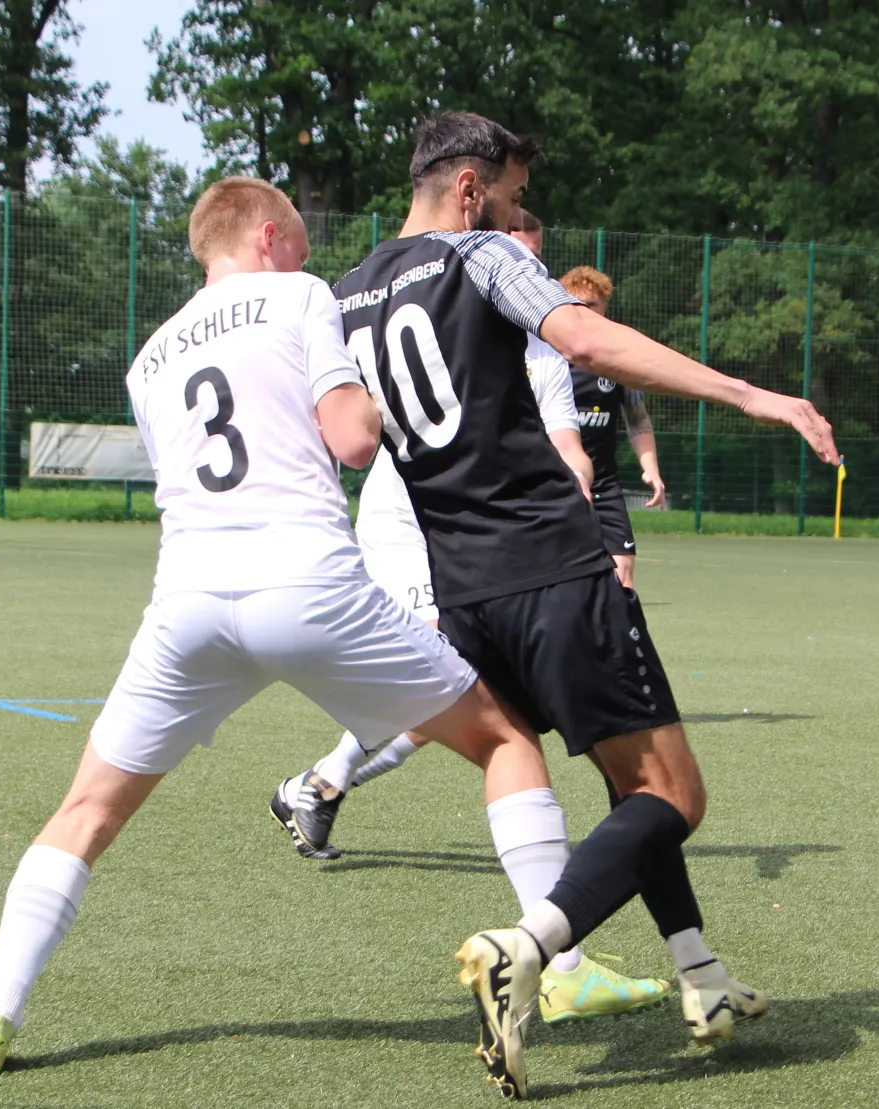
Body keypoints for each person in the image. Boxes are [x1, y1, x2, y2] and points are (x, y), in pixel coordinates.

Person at [0, 177, 565, 1077]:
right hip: (307, 584)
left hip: (188, 602)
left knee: (84, 811)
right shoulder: (301, 296)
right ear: (269, 236)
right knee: (506, 737)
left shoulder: (148, 358)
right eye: (302, 243)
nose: (308, 260)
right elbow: (351, 439)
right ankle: (567, 965)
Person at [333, 111, 836, 1098]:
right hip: (555, 567)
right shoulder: (479, 251)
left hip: (462, 588)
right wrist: (747, 394)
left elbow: (349, 436)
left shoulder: (345, 292)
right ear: (471, 188)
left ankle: (700, 977)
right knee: (672, 795)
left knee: (620, 779)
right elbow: (585, 341)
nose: (527, 223)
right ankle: (528, 946)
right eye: (517, 196)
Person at [268, 214, 670, 1028]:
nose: (534, 272)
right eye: (522, 252)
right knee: (474, 704)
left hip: (467, 535)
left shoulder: (511, 330)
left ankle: (319, 787)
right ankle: (556, 961)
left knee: (484, 708)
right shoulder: (480, 304)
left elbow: (569, 447)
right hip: (428, 529)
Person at [556, 266, 665, 589]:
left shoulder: (617, 362)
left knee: (623, 566)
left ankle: (620, 634)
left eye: (592, 306)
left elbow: (637, 418)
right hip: (554, 482)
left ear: (605, 308)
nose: (584, 313)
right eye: (576, 305)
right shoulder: (547, 357)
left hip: (603, 482)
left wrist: (651, 470)